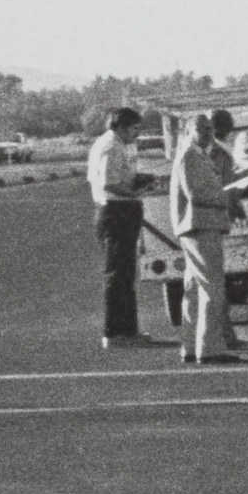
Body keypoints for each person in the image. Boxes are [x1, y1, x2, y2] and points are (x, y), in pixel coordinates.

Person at [170, 109, 243, 365]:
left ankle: (191, 346)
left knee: (193, 289)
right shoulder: (191, 156)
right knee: (212, 287)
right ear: (190, 131)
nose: (208, 134)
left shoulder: (196, 154)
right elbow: (197, 193)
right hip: (200, 225)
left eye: (210, 129)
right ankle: (210, 349)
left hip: (196, 225)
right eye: (202, 129)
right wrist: (228, 197)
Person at [87, 105, 155, 346]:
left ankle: (129, 330)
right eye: (134, 129)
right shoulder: (110, 147)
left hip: (123, 210)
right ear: (122, 126)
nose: (137, 134)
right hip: (116, 211)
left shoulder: (120, 145)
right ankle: (114, 332)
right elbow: (109, 183)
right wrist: (134, 191)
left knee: (126, 274)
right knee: (117, 275)